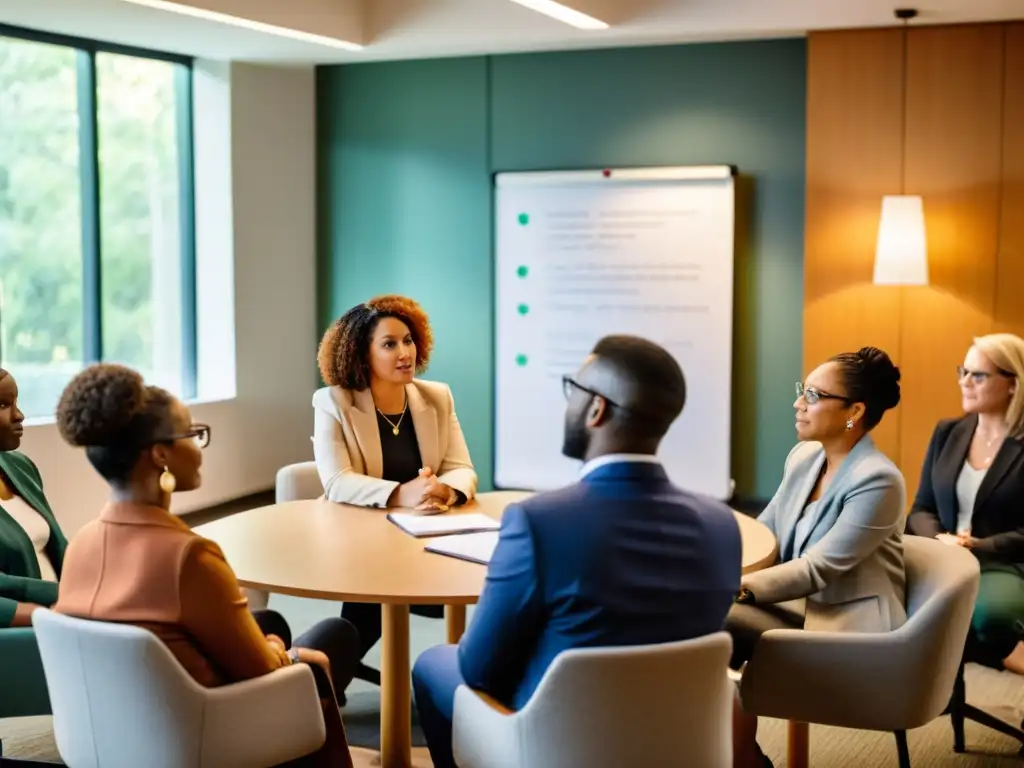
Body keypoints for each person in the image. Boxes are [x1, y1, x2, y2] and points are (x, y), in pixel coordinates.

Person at [411, 335, 743, 768]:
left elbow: (479, 670)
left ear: (597, 409)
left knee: (435, 661)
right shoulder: (722, 525)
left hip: (556, 743)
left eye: (574, 389)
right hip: (680, 739)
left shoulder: (539, 521)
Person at [52, 364, 358, 768]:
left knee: (271, 622)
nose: (198, 447)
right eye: (193, 434)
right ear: (160, 454)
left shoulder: (82, 544)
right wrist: (280, 651)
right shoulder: (189, 557)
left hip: (121, 727)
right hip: (202, 731)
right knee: (328, 643)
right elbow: (262, 668)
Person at [727, 347, 906, 767]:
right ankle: (738, 756)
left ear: (854, 411)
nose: (797, 403)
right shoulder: (804, 457)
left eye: (812, 393)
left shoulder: (879, 481)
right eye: (801, 390)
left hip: (846, 624)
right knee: (710, 623)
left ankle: (742, 759)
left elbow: (818, 568)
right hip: (799, 607)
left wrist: (738, 588)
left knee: (721, 622)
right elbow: (765, 532)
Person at [313, 295, 478, 685]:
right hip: (359, 540)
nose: (405, 352)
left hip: (425, 537)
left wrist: (445, 491)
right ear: (361, 354)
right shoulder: (334, 402)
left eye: (408, 340)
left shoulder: (437, 396)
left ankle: (327, 676)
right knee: (369, 603)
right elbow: (337, 481)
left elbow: (462, 469)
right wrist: (400, 493)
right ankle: (325, 681)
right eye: (389, 344)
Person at [907, 333, 1024, 674]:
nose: (965, 382)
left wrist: (978, 545)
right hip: (942, 555)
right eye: (963, 371)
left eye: (979, 375)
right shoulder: (948, 432)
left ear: (1013, 384)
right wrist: (943, 542)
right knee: (875, 595)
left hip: (1002, 561)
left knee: (991, 615)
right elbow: (921, 508)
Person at [0, 367, 68, 627]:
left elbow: (59, 547)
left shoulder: (20, 467)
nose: (19, 415)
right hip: (23, 632)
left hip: (65, 612)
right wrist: (56, 598)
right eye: (3, 405)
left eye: (16, 402)